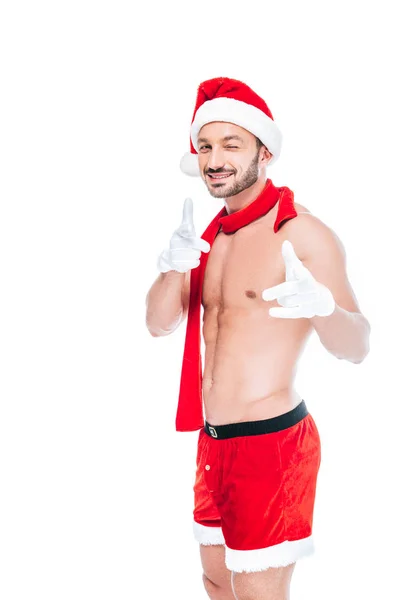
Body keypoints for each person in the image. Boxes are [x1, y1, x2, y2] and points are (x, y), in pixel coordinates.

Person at [145, 77, 370, 600]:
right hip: (213, 444)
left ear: (264, 151)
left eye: (231, 144)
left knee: (259, 596)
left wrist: (324, 307)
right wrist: (170, 269)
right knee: (216, 582)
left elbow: (356, 346)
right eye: (205, 146)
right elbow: (158, 324)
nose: (214, 159)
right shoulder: (208, 237)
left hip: (271, 446)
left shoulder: (300, 233)